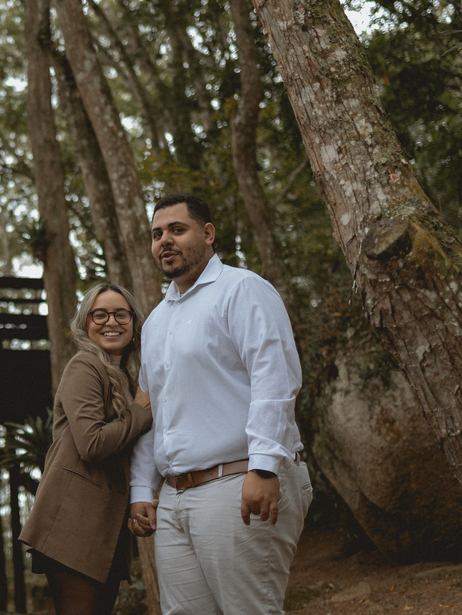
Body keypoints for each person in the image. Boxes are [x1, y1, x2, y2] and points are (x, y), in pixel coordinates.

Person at [128, 192, 311, 615]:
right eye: (157, 235)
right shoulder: (155, 323)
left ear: (208, 234)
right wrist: (142, 488)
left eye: (177, 229)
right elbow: (154, 410)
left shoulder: (242, 289)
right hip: (174, 499)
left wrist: (264, 465)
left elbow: (275, 379)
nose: (164, 242)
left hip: (239, 481)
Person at [20, 283, 154, 615]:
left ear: (134, 323)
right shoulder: (84, 366)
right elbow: (92, 443)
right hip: (74, 523)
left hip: (103, 527)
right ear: (85, 324)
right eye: (100, 314)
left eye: (121, 314)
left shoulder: (124, 377)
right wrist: (140, 412)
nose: (112, 321)